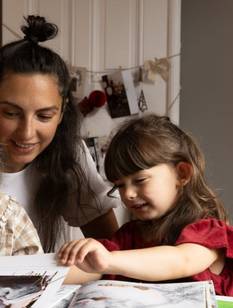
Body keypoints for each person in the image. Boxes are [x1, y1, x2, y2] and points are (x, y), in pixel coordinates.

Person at [58, 114, 233, 296]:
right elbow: (91, 268)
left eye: (140, 180)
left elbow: (182, 260)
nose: (128, 194)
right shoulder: (129, 236)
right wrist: (43, 275)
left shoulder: (209, 231)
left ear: (182, 174)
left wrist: (109, 260)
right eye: (120, 185)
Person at [0, 15, 119, 253]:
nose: (26, 133)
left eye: (44, 116)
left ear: (62, 113)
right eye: (11, 113)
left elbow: (111, 250)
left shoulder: (69, 153)